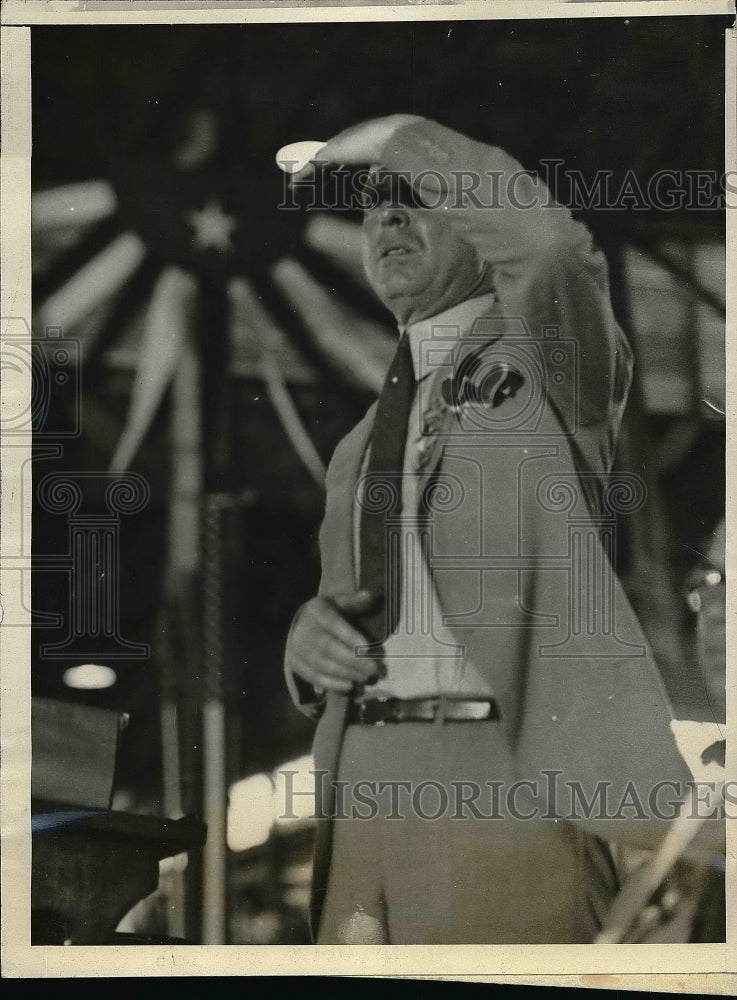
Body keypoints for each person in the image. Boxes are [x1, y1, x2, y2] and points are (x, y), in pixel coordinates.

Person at [282, 115, 718, 944]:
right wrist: (306, 645)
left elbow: (547, 249)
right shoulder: (356, 448)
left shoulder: (551, 365)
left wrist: (401, 137)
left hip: (505, 781)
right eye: (373, 205)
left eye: (416, 196)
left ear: (475, 225)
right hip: (360, 789)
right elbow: (353, 609)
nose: (387, 218)